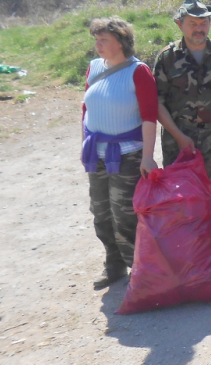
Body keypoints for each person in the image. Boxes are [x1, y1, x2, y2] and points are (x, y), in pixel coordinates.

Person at [81, 17, 158, 290]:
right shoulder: (93, 68)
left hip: (128, 155)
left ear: (121, 42)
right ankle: (113, 265)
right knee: (100, 212)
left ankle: (140, 271)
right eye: (96, 39)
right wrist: (84, 146)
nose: (98, 45)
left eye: (104, 40)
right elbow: (86, 109)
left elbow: (150, 117)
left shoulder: (139, 72)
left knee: (125, 214)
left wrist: (148, 157)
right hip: (97, 154)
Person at [154, 0, 211, 191]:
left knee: (208, 192)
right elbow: (157, 103)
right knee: (177, 194)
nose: (199, 28)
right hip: (176, 138)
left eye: (204, 23)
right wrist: (179, 137)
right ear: (180, 25)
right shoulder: (167, 58)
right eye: (192, 24)